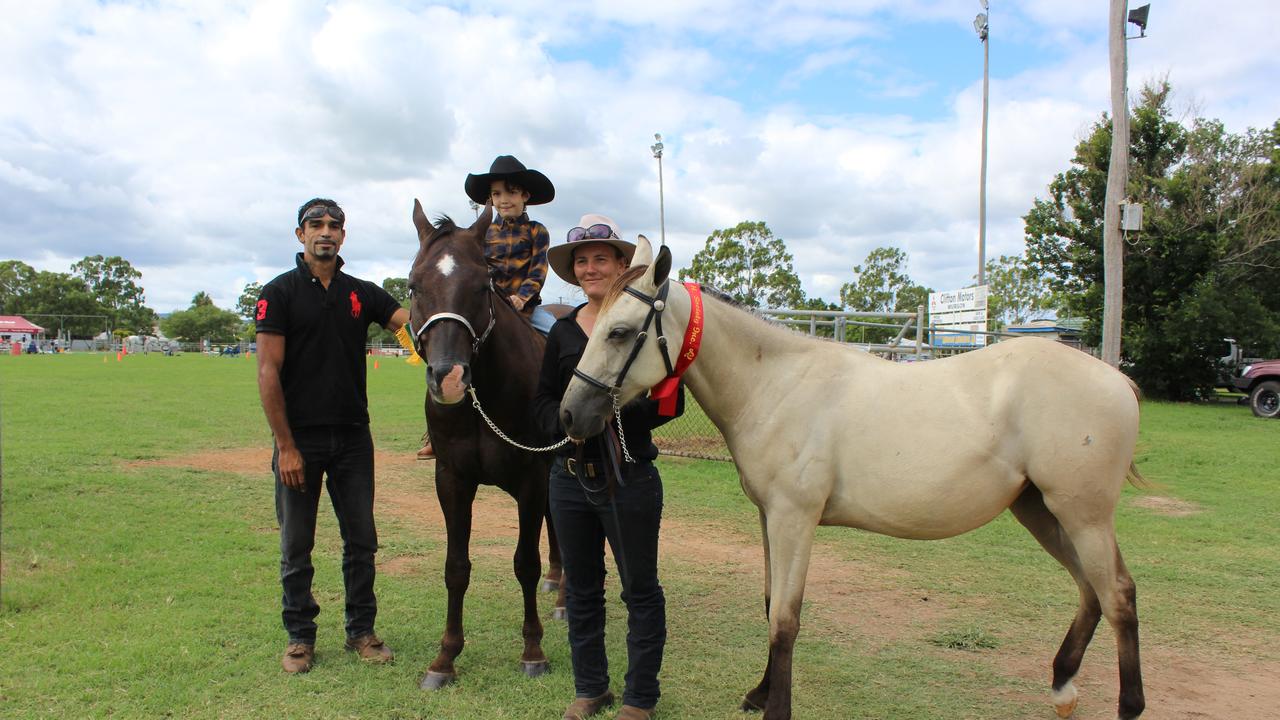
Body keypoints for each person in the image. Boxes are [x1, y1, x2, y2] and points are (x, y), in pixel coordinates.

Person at [533, 214, 684, 720]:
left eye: (602, 258)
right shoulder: (560, 331)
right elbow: (543, 401)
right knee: (581, 588)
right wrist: (567, 427)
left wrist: (609, 416)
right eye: (582, 261)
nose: (591, 268)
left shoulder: (645, 322)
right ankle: (590, 688)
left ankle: (640, 698)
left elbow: (670, 403)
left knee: (639, 589)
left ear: (624, 267)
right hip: (569, 478)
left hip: (630, 478)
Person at [255, 198, 410, 674]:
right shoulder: (278, 293)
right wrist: (285, 447)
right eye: (315, 224)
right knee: (296, 545)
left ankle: (361, 631)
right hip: (298, 440)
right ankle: (300, 637)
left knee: (361, 540)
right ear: (299, 234)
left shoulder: (362, 292)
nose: (326, 231)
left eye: (334, 225)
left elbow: (411, 325)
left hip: (352, 440)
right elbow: (267, 372)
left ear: (344, 235)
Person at [418, 154, 556, 460]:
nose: (503, 200)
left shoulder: (537, 231)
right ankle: (434, 430)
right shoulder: (478, 235)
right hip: (490, 309)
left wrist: (523, 296)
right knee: (449, 349)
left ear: (525, 196)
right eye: (496, 194)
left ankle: (565, 409)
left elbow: (538, 270)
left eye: (510, 192)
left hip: (527, 310)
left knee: (563, 337)